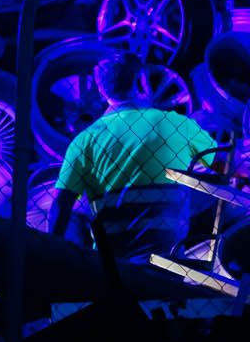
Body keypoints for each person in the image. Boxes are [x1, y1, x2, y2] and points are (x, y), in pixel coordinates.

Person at [49, 54, 218, 257]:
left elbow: (61, 203)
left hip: (115, 259)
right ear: (139, 81)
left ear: (102, 92)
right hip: (169, 254)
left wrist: (52, 249)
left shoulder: (85, 140)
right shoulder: (176, 124)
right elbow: (218, 161)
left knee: (77, 207)